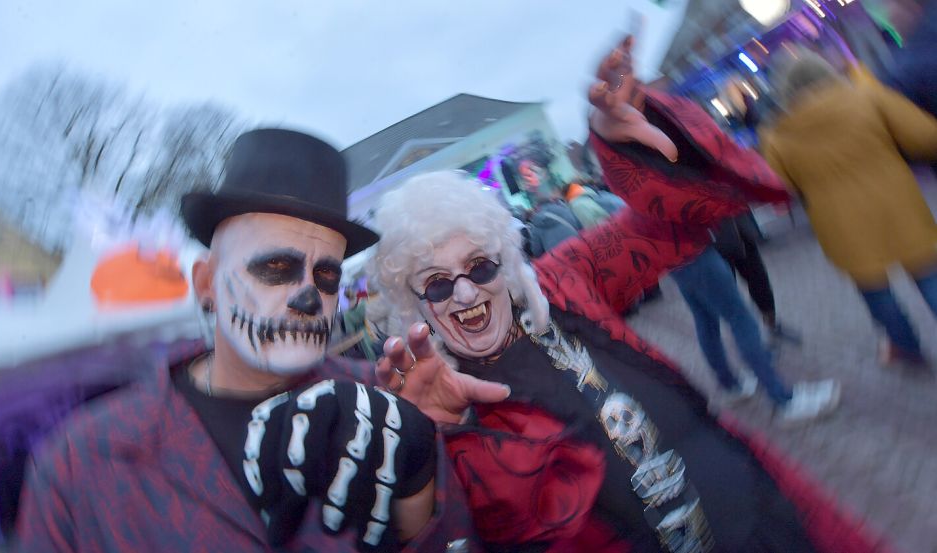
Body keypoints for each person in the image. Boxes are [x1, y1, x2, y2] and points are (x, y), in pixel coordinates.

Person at [367, 37, 888, 553]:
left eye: (479, 267)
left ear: (505, 259)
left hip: (763, 511)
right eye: (436, 282)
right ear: (416, 303)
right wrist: (434, 440)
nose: (464, 292)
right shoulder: (438, 400)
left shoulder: (559, 282)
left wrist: (631, 143)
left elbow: (681, 217)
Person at [14, 129, 484, 552]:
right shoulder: (81, 464)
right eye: (275, 268)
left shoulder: (383, 406)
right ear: (206, 285)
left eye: (326, 277)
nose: (308, 297)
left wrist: (417, 483)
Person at [761, 51, 937, 368]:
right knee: (929, 277)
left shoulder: (776, 137)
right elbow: (925, 137)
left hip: (841, 228)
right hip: (898, 207)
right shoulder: (867, 97)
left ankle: (907, 349)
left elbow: (780, 188)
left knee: (877, 294)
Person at [669, 245, 836, 419]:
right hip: (693, 250)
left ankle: (730, 385)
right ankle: (783, 399)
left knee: (705, 319)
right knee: (740, 320)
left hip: (672, 258)